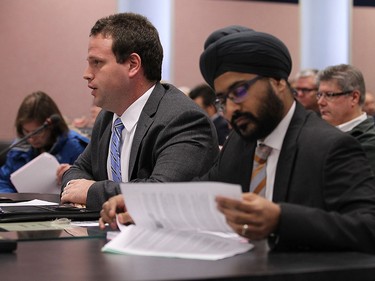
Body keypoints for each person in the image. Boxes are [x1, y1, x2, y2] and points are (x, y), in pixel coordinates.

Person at [100, 26, 375, 253]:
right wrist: (143, 203)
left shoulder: (330, 146)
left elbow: (367, 227)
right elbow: (202, 193)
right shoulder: (240, 144)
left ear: (279, 82)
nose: (231, 109)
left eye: (240, 91)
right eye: (222, 99)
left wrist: (281, 219)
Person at [60, 13, 219, 210]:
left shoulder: (183, 119)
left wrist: (91, 193)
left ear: (133, 65)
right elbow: (77, 171)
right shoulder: (109, 116)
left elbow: (162, 193)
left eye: (97, 63)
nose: (86, 74)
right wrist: (76, 188)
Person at [0, 91, 89, 193]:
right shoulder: (19, 147)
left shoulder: (75, 147)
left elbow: (87, 184)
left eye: (37, 132)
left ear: (51, 126)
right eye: (27, 131)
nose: (31, 138)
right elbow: (3, 182)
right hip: (20, 206)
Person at [317, 64, 375, 172]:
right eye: (319, 95)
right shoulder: (316, 133)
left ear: (354, 98)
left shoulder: (370, 141)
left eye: (329, 95)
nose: (320, 102)